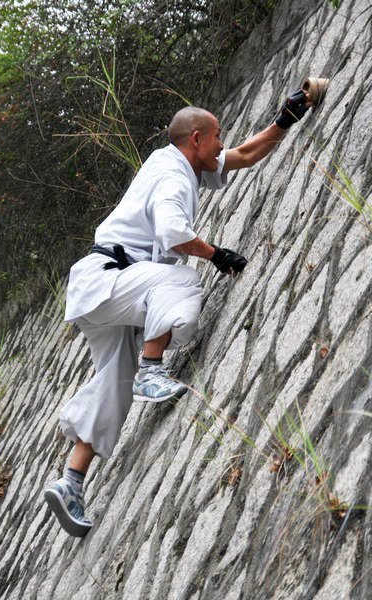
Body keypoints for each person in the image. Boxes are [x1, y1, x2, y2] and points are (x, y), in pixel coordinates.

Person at [44, 89, 310, 537]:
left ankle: (70, 481)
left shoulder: (175, 163)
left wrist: (284, 120)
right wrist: (216, 254)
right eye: (218, 137)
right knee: (182, 280)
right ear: (196, 139)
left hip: (97, 287)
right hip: (112, 278)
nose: (223, 144)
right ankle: (153, 368)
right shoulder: (173, 176)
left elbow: (244, 154)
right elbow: (171, 233)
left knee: (114, 378)